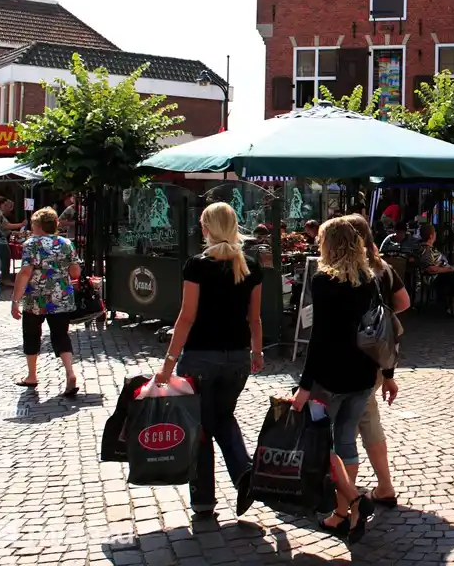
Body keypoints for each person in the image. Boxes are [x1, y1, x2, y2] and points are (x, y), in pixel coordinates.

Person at [155, 202, 264, 518]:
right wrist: (256, 353)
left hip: (201, 357)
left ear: (206, 228)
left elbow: (186, 318)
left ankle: (204, 499)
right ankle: (243, 473)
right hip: (237, 358)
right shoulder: (251, 266)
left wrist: (168, 365)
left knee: (200, 425)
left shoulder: (197, 266)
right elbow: (254, 319)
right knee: (222, 417)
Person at [291, 217, 377, 543]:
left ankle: (353, 500)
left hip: (330, 377)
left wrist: (304, 384)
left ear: (329, 245)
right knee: (345, 442)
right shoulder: (368, 280)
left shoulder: (323, 282)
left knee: (320, 445)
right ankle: (345, 514)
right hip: (363, 372)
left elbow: (320, 338)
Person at [344, 214, 408, 509]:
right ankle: (383, 485)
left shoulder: (345, 271)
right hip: (377, 357)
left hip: (349, 361)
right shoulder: (383, 268)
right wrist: (381, 321)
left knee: (344, 423)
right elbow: (404, 302)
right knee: (367, 420)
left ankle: (344, 492)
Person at [11, 207, 81, 396]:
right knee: (61, 336)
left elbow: (25, 273)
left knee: (32, 334)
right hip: (62, 298)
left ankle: (32, 376)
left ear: (38, 225)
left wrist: (15, 301)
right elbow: (75, 272)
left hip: (36, 299)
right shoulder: (66, 243)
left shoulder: (31, 244)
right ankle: (70, 373)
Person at [417, 224, 454, 317]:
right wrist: (448, 269)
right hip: (433, 277)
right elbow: (431, 269)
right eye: (435, 233)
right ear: (431, 236)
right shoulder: (426, 250)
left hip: (441, 273)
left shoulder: (431, 248)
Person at [0, 197, 26, 286]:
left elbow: (1, 228)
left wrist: (14, 232)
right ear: (1, 204)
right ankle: (5, 279)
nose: (6, 207)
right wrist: (21, 224)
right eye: (5, 205)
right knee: (6, 257)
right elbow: (6, 225)